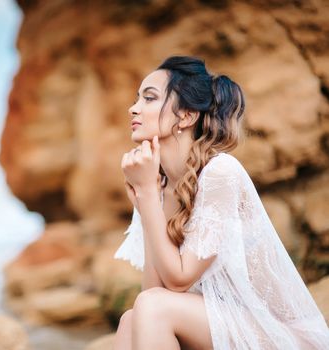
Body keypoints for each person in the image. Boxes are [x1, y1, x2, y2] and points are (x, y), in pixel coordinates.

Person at [113, 55, 329, 349]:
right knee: (130, 318)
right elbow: (153, 291)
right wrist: (148, 198)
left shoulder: (219, 171)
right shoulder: (158, 183)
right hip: (225, 326)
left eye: (149, 98)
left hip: (281, 336)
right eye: (137, 98)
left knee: (151, 308)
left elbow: (177, 281)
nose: (133, 108)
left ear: (186, 116)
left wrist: (148, 198)